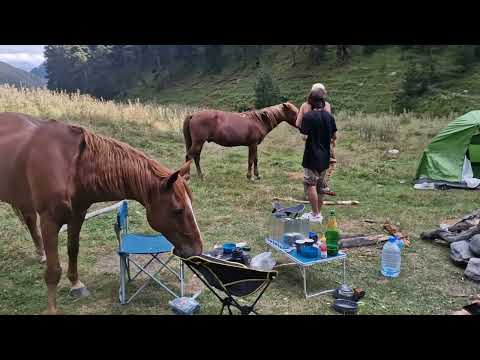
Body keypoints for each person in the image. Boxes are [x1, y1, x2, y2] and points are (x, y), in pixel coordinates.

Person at [299, 91, 337, 223]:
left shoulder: (308, 116)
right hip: (325, 156)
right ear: (322, 102)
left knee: (311, 185)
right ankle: (317, 213)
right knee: (320, 186)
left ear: (310, 103)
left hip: (311, 155)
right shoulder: (329, 117)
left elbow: (303, 134)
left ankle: (315, 215)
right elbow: (334, 137)